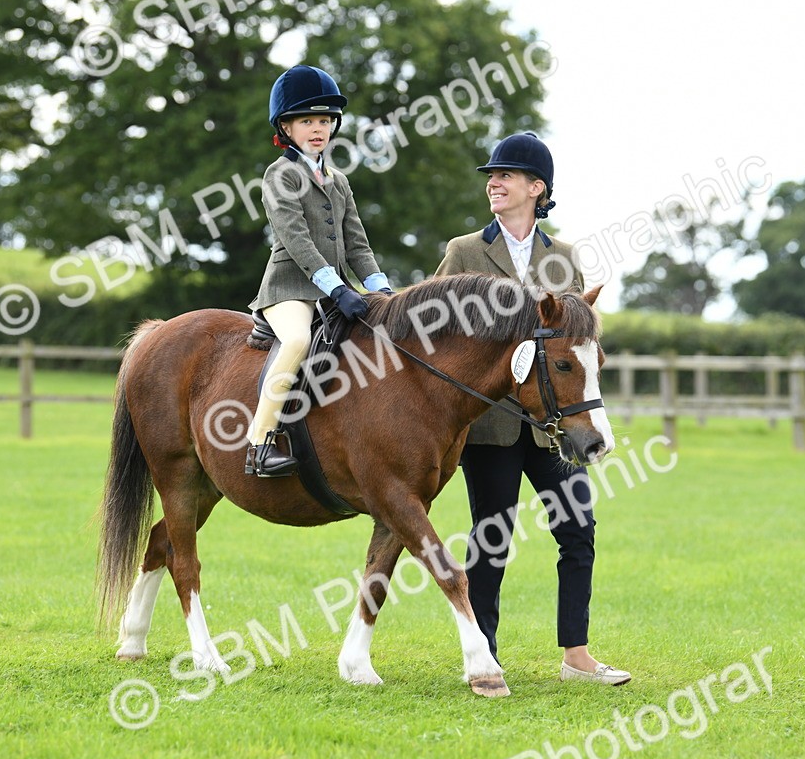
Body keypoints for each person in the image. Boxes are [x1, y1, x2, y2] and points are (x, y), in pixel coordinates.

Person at [434, 132, 630, 686]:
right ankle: (486, 655)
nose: (493, 183)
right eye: (491, 177)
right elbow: (435, 330)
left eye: (506, 176)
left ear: (536, 189)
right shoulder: (463, 252)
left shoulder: (564, 259)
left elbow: (577, 335)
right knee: (490, 538)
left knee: (578, 531)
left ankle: (577, 655)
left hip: (554, 425)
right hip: (490, 424)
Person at [246, 64, 392, 478]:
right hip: (288, 290)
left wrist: (380, 290)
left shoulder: (339, 181)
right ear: (286, 127)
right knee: (297, 341)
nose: (318, 128)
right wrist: (334, 286)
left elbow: (357, 244)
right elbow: (296, 240)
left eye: (325, 120)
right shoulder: (280, 175)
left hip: (335, 289)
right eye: (307, 120)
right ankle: (260, 442)